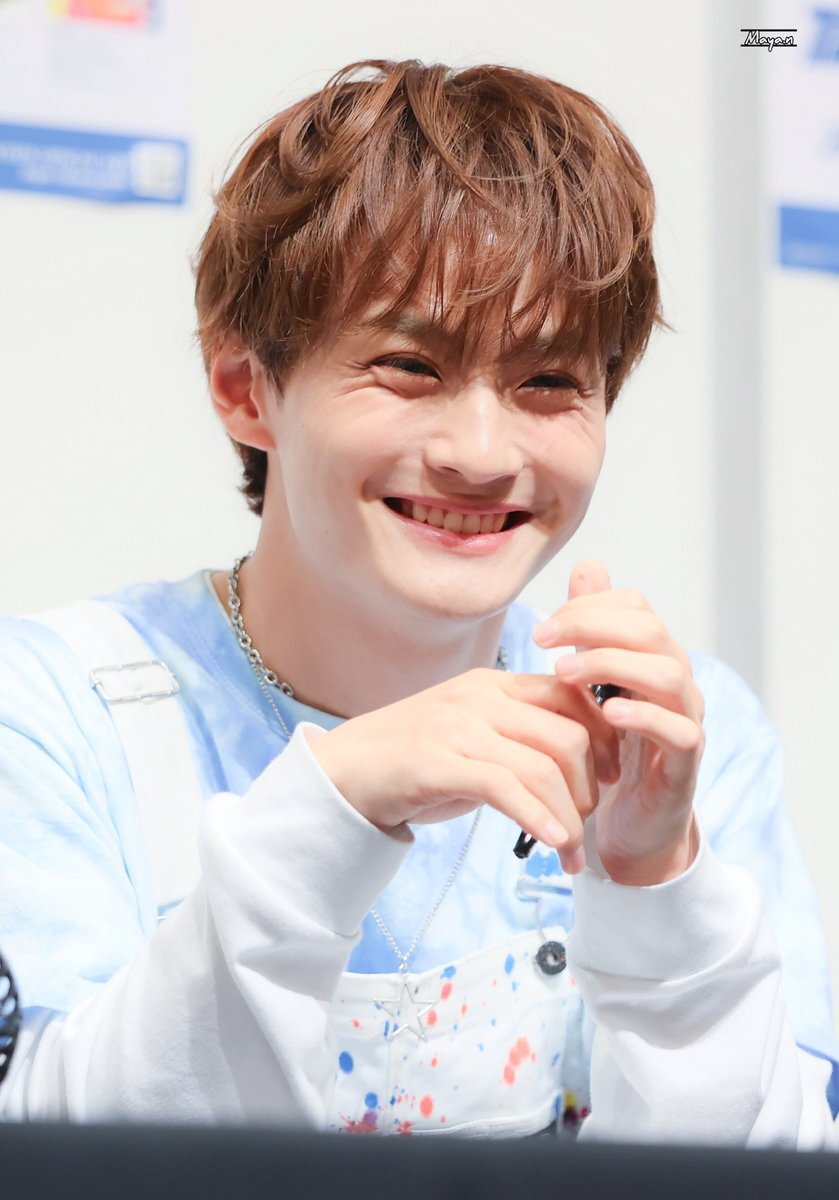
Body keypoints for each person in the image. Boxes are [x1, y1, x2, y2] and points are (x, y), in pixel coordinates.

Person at [0, 57, 836, 1145]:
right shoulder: (54, 718)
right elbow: (58, 1158)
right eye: (408, 365)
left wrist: (654, 884)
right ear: (245, 386)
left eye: (548, 382)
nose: (481, 454)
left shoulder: (671, 741)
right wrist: (335, 805)